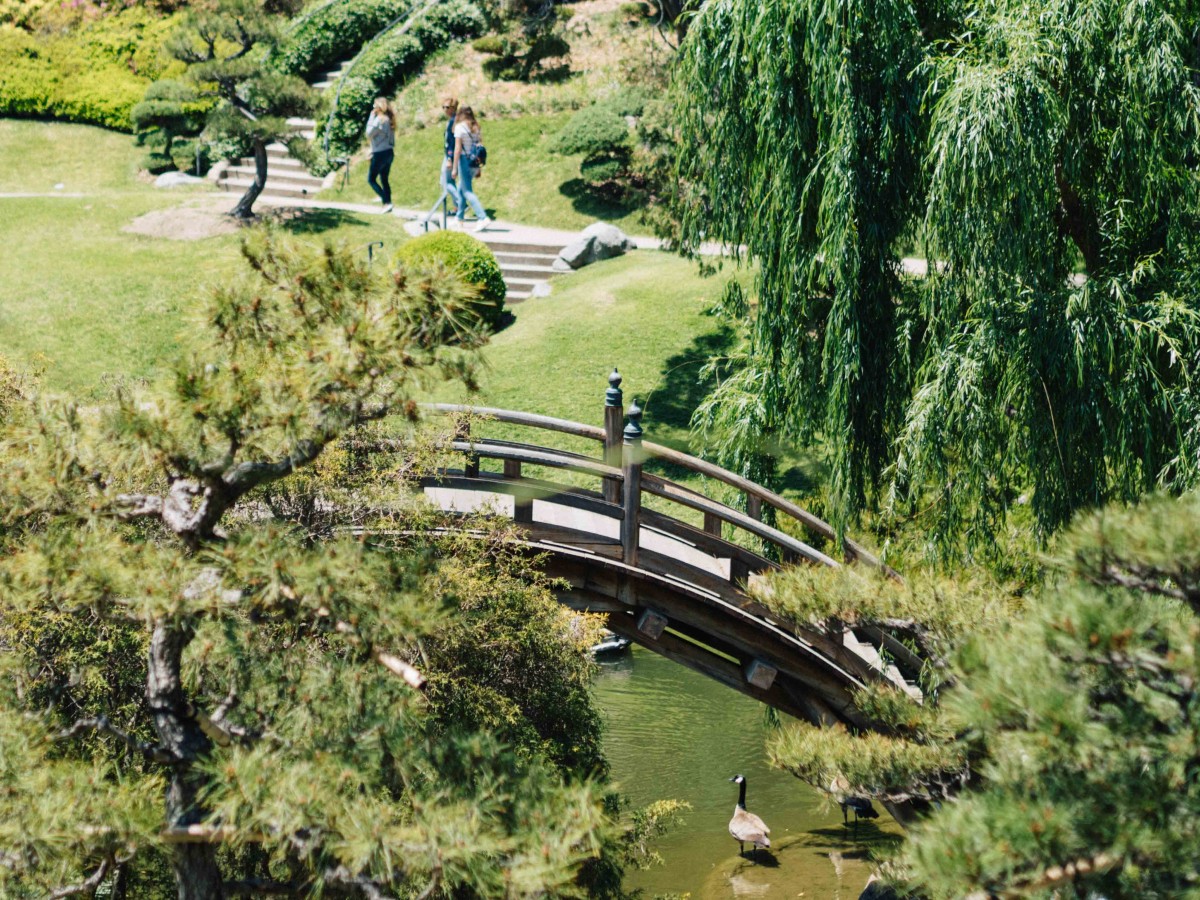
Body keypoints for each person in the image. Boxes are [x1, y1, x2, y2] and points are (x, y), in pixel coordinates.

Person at [451, 106, 492, 232]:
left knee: (467, 191)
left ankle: (482, 217)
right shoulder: (476, 127)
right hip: (474, 162)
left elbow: (457, 149)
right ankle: (459, 218)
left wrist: (454, 168)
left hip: (464, 161)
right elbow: (479, 147)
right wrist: (479, 169)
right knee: (461, 189)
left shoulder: (459, 128)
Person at [365, 97, 395, 214]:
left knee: (371, 179)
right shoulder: (390, 119)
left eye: (374, 106)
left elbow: (368, 133)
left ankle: (386, 201)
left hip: (380, 154)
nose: (373, 108)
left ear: (379, 107)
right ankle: (387, 201)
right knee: (384, 179)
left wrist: (371, 117)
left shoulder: (380, 120)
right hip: (389, 152)